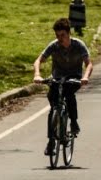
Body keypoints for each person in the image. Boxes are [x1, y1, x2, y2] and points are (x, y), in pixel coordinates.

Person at [33, 18, 93, 156]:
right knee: (53, 104)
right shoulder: (54, 46)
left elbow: (89, 63)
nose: (59, 38)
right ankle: (51, 141)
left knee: (69, 94)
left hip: (74, 78)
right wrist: (37, 74)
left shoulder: (79, 45)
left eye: (62, 35)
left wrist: (85, 77)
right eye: (57, 35)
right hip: (57, 78)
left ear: (68, 33)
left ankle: (73, 122)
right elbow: (38, 60)